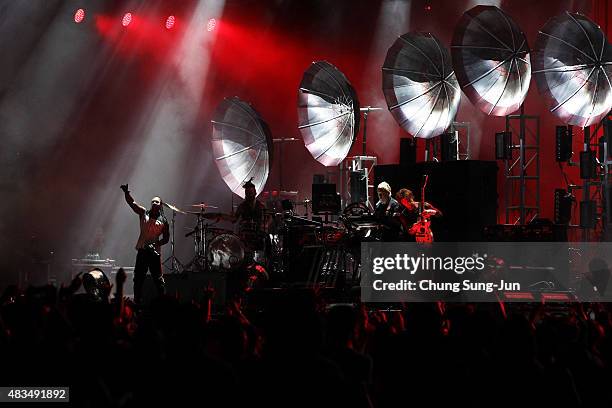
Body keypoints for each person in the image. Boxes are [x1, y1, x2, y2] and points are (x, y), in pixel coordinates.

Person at [121, 184, 169, 305]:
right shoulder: (143, 213)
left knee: (158, 279)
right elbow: (132, 204)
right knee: (138, 279)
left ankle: (163, 302)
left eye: (156, 202)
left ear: (160, 205)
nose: (154, 203)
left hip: (154, 253)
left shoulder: (164, 221)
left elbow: (166, 238)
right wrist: (127, 193)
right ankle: (137, 301)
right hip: (142, 251)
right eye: (152, 201)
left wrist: (158, 243)